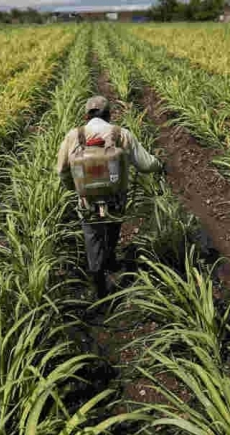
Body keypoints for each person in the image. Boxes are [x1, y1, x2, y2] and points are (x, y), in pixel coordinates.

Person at [56, 96, 163, 298]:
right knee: (113, 227)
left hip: (88, 200)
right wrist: (160, 165)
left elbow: (62, 170)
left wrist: (74, 187)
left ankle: (99, 283)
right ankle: (111, 258)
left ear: (86, 116)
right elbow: (146, 164)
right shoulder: (120, 134)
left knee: (92, 236)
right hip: (115, 198)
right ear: (109, 115)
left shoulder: (74, 135)